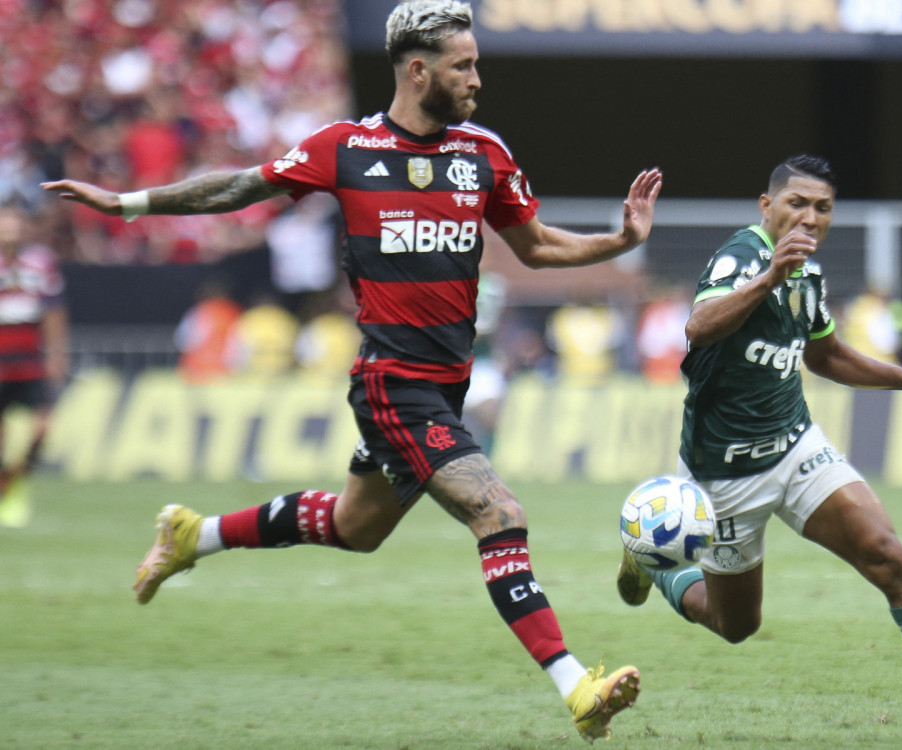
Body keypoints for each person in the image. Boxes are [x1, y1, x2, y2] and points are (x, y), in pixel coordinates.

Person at [42, 1, 661, 742]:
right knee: (500, 514)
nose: (477, 79)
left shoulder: (482, 154)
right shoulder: (347, 148)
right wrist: (130, 202)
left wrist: (618, 241)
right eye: (464, 65)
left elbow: (535, 247)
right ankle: (577, 687)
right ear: (418, 70)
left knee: (354, 526)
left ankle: (193, 535)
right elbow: (241, 186)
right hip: (391, 383)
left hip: (446, 385)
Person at [617, 156, 902, 748]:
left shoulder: (806, 273)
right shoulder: (744, 256)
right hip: (725, 475)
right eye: (797, 204)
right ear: (767, 206)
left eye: (822, 208)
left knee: (887, 555)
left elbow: (824, 356)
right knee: (735, 626)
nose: (809, 217)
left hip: (796, 447)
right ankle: (654, 565)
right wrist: (767, 280)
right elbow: (699, 328)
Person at [0, 203, 69, 529]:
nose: (10, 227)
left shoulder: (41, 262)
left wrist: (57, 354)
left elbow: (54, 311)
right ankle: (5, 490)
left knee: (43, 427)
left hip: (31, 359)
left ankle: (17, 481)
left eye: (15, 220)